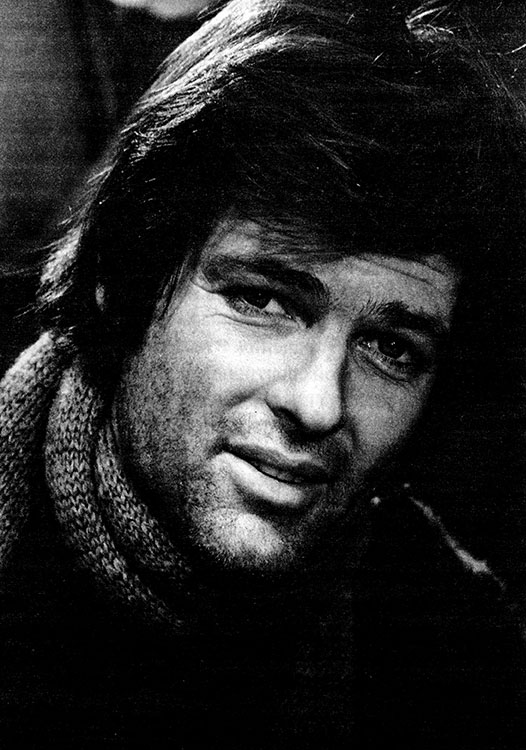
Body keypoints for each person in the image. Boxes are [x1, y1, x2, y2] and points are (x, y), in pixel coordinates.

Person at [0, 0, 525, 746]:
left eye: (391, 348)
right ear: (124, 277)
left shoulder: (458, 651)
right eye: (263, 300)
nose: (318, 403)